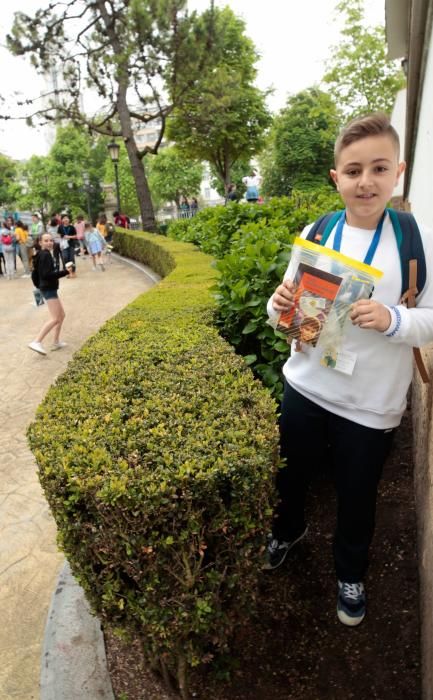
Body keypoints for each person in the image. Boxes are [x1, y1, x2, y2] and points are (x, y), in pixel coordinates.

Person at [263, 112, 433, 627]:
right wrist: (277, 307)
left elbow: (429, 320)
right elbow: (286, 313)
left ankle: (350, 572)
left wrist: (393, 318)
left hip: (370, 404)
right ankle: (288, 530)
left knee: (357, 497)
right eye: (354, 170)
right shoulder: (318, 231)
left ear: (398, 171)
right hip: (306, 386)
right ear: (336, 177)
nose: (366, 181)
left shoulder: (414, 239)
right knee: (291, 479)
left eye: (379, 168)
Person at [28, 233, 71, 355]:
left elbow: (36, 274)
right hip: (48, 289)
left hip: (47, 288)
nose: (49, 242)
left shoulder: (41, 254)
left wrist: (39, 285)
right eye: (46, 240)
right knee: (56, 318)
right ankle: (36, 341)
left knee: (61, 315)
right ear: (40, 242)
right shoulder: (45, 255)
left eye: (51, 240)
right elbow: (46, 275)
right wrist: (64, 272)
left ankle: (56, 341)